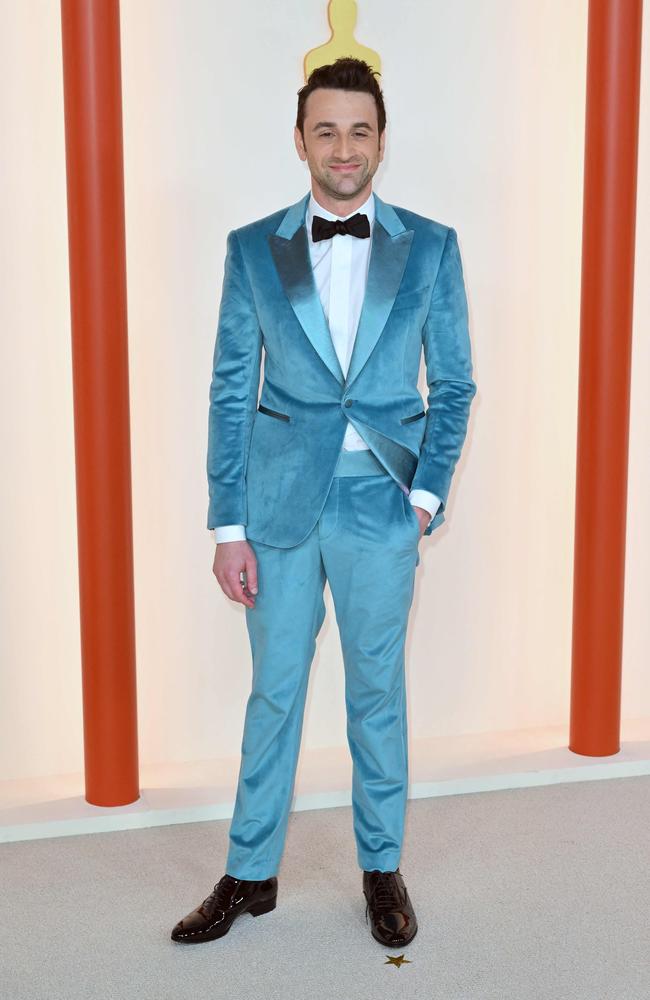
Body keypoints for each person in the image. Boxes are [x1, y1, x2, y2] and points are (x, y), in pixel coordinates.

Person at [171, 56, 476, 949]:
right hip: (276, 508)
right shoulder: (250, 249)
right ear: (300, 139)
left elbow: (454, 385)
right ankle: (249, 874)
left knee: (376, 693)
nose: (344, 148)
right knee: (274, 693)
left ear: (382, 140)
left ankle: (382, 868)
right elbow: (232, 391)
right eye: (326, 130)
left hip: (383, 502)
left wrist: (425, 494)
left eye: (361, 130)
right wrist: (227, 524)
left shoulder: (433, 246)